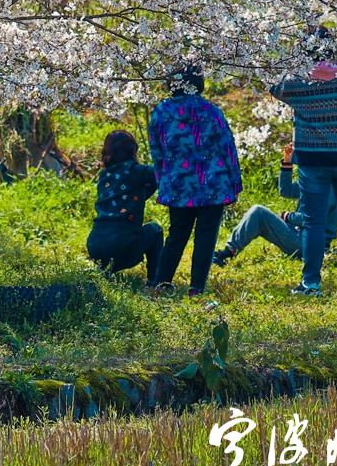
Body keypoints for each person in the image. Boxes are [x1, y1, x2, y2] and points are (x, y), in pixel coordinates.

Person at [270, 27, 337, 295]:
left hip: (314, 161)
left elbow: (273, 85)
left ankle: (311, 283)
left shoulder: (298, 82)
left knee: (313, 222)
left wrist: (293, 62)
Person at [147, 62, 241, 296]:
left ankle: (162, 283)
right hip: (214, 185)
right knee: (206, 237)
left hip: (178, 186)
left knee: (177, 234)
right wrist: (235, 183)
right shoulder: (211, 111)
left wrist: (163, 180)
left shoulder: (161, 112)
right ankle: (196, 288)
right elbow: (228, 149)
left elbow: (157, 152)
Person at [214, 144, 337, 267]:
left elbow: (311, 220)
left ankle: (227, 254)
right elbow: (285, 190)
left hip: (311, 246)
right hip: (299, 237)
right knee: (259, 214)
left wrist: (287, 216)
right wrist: (287, 161)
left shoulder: (328, 189)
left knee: (258, 212)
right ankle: (228, 252)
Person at [86, 130, 163, 284]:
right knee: (155, 230)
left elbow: (127, 195)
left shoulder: (104, 175)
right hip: (122, 245)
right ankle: (155, 281)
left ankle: (105, 273)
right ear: (133, 150)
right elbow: (161, 173)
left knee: (113, 245)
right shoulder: (138, 171)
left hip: (95, 246)